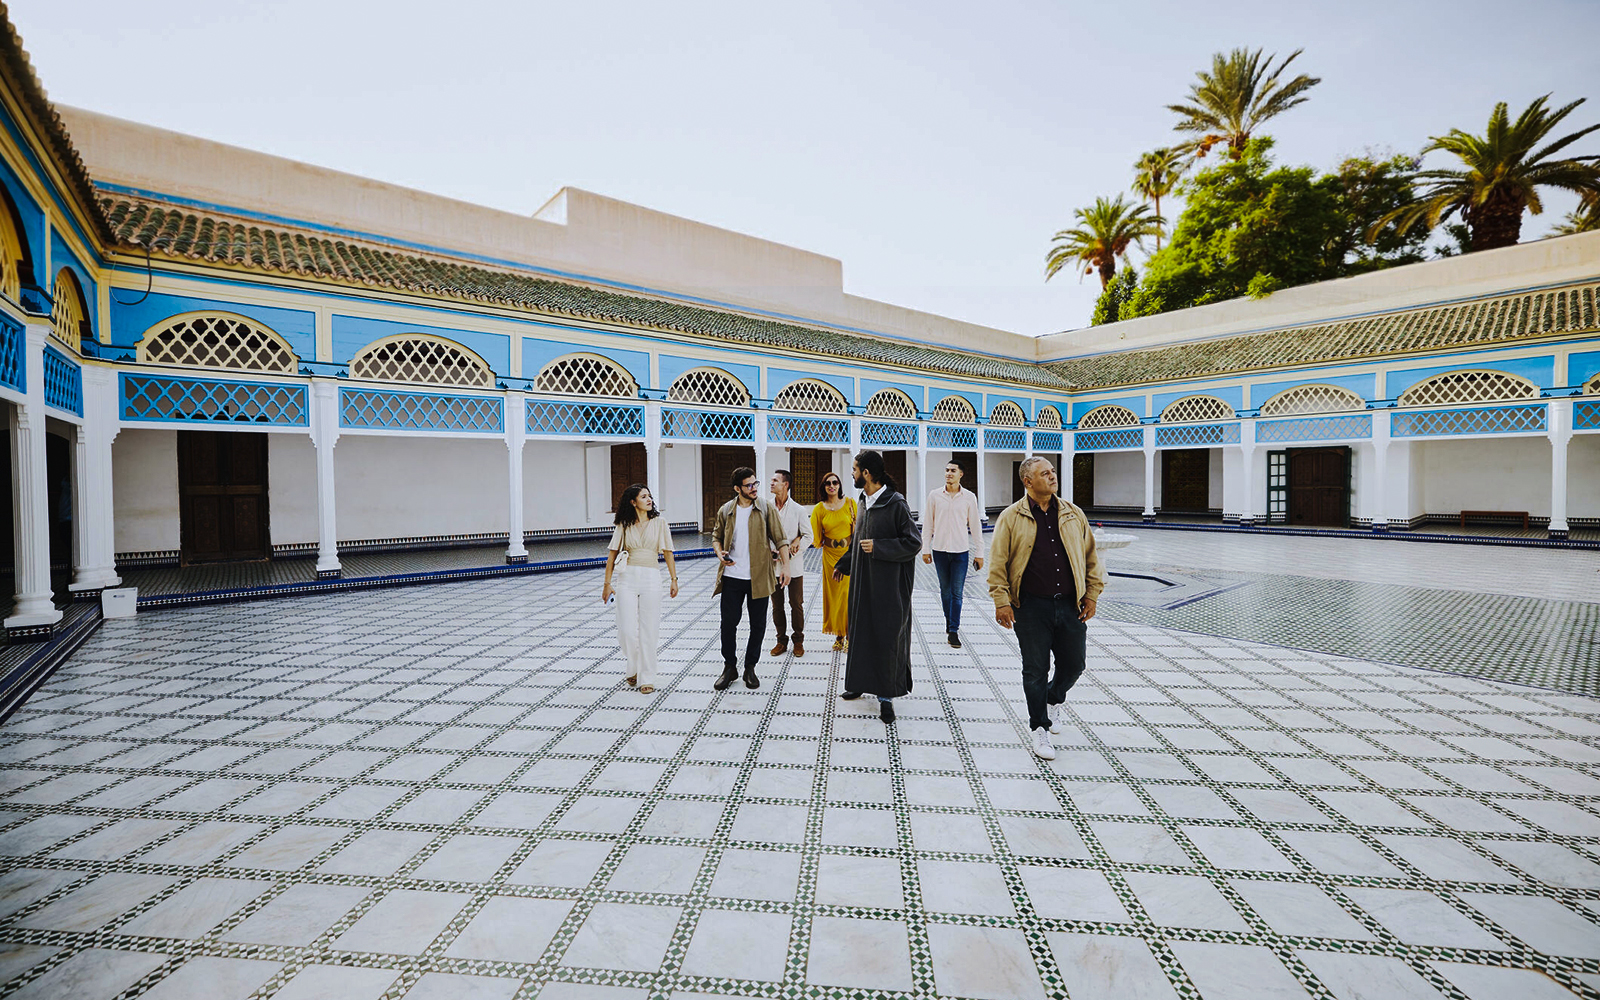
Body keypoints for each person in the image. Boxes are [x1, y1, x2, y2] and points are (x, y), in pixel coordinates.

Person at [986, 457, 1105, 761]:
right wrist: (1001, 601)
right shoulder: (1011, 517)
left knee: (1075, 664)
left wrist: (1091, 594)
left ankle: (1053, 698)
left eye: (1052, 472)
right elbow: (998, 563)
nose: (1053, 477)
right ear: (1028, 481)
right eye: (1045, 474)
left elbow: (1091, 557)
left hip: (1069, 604)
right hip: (1030, 607)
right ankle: (1039, 726)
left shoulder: (1072, 513)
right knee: (1036, 670)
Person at [834, 449, 921, 724]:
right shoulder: (862, 501)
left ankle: (886, 698)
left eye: (855, 469)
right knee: (861, 633)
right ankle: (859, 682)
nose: (852, 473)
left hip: (888, 587)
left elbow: (913, 543)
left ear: (867, 473)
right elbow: (860, 538)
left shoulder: (896, 503)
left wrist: (880, 548)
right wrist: (845, 563)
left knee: (886, 637)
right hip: (863, 583)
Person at [711, 466, 791, 691]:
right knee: (728, 624)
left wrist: (785, 567)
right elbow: (716, 536)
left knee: (758, 625)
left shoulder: (765, 508)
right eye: (749, 485)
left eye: (755, 483)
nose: (754, 488)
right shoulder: (726, 510)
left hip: (758, 577)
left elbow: (780, 539)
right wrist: (719, 552)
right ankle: (729, 667)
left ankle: (750, 667)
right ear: (738, 488)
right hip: (732, 577)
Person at [601, 484, 679, 695]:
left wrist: (673, 579)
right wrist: (607, 584)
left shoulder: (660, 522)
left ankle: (647, 677)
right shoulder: (623, 524)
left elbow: (668, 552)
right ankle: (633, 665)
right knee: (626, 629)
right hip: (626, 578)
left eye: (649, 496)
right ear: (633, 502)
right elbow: (611, 555)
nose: (649, 499)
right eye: (643, 496)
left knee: (649, 630)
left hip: (652, 578)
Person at [921, 460, 985, 648]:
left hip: (960, 552)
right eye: (947, 470)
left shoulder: (969, 497)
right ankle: (950, 624)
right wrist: (926, 548)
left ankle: (953, 631)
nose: (949, 473)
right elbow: (928, 524)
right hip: (940, 550)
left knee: (957, 593)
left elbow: (975, 526)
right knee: (945, 592)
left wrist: (979, 552)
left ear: (961, 474)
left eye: (953, 470)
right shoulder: (934, 496)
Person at [768, 469, 812, 658]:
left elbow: (809, 536)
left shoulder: (799, 510)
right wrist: (768, 550)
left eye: (775, 480)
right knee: (777, 605)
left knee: (796, 603)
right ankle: (781, 640)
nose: (771, 483)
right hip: (772, 565)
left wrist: (796, 546)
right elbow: (762, 533)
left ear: (785, 484)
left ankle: (798, 640)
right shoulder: (766, 507)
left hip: (794, 566)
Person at [810, 472, 857, 651]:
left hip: (848, 556)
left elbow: (858, 529)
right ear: (824, 487)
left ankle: (849, 636)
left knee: (847, 596)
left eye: (835, 482)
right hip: (829, 557)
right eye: (828, 483)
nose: (832, 486)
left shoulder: (850, 504)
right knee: (834, 598)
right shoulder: (819, 509)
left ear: (839, 485)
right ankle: (839, 635)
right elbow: (815, 538)